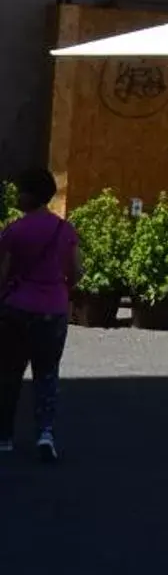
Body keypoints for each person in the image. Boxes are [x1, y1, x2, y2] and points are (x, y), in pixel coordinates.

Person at [0, 168, 79, 464]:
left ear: (30, 195)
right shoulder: (64, 231)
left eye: (20, 190)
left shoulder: (14, 231)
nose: (16, 195)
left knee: (8, 374)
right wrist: (61, 287)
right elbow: (76, 271)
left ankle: (4, 436)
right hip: (53, 310)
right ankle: (45, 433)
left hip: (17, 308)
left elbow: (3, 272)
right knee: (47, 374)